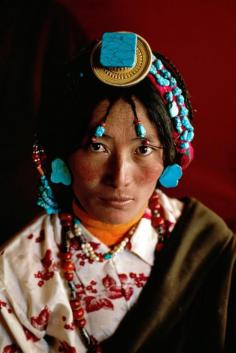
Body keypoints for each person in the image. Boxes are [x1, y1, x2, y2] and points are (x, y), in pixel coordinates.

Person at [0, 31, 235, 353]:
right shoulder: (18, 269)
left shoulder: (209, 244)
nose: (120, 177)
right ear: (62, 154)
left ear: (171, 156)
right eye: (96, 146)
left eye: (143, 148)